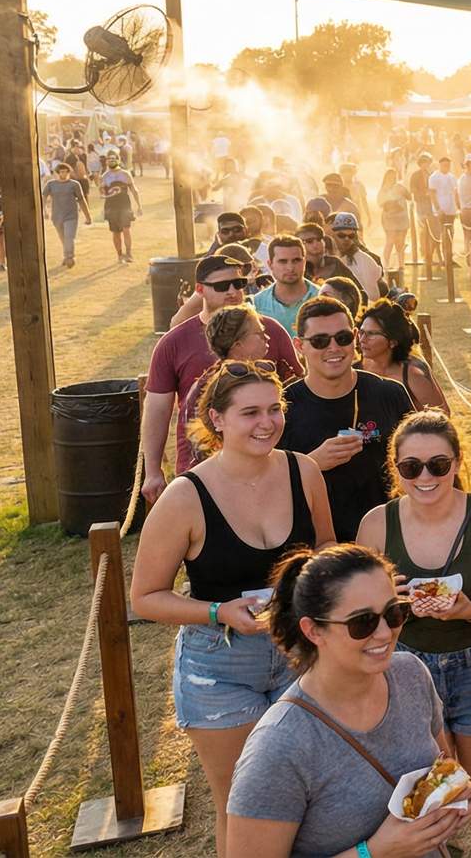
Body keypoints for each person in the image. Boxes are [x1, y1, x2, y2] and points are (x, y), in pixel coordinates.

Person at [129, 361, 336, 857]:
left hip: (299, 654)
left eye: (274, 409)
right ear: (216, 419)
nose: (266, 423)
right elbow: (145, 597)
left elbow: (327, 553)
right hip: (218, 666)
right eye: (249, 413)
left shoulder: (302, 470)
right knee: (242, 804)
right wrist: (219, 611)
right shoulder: (185, 496)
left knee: (309, 792)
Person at [355, 411, 471, 858]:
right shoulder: (376, 524)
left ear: (456, 462)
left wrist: (470, 610)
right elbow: (356, 615)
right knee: (430, 804)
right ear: (395, 470)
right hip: (406, 673)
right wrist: (389, 602)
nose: (425, 477)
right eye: (410, 467)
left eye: (438, 465)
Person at [226, 545, 471, 858]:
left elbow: (443, 768)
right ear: (314, 630)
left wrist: (456, 792)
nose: (385, 633)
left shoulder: (410, 674)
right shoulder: (280, 745)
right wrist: (373, 852)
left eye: (394, 613)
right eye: (363, 622)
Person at [143, 249, 305, 499]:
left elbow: (299, 390)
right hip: (200, 470)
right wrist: (153, 470)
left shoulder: (270, 330)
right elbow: (157, 409)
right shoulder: (173, 342)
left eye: (238, 283)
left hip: (268, 465)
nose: (232, 291)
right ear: (200, 290)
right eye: (221, 285)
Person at [282, 297, 415, 542]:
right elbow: (264, 484)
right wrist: (311, 464)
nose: (333, 348)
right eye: (320, 341)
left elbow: (420, 459)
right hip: (316, 545)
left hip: (391, 535)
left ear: (355, 337)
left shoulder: (390, 393)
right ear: (299, 346)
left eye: (343, 338)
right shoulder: (282, 406)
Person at [358, 297, 449, 412]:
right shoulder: (356, 367)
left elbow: (442, 416)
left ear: (393, 341)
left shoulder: (412, 373)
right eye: (361, 332)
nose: (362, 339)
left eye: (371, 334)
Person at [252, 235, 322, 333]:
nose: (290, 268)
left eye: (296, 260)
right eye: (283, 261)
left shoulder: (322, 297)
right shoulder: (257, 303)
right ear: (270, 264)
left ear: (304, 262)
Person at [42, 160, 91, 268]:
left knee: (69, 236)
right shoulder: (51, 184)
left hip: (71, 215)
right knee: (63, 237)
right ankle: (66, 255)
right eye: (61, 172)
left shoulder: (74, 184)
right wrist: (45, 211)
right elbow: (43, 197)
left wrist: (88, 216)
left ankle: (69, 257)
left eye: (65, 172)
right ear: (57, 173)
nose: (63, 174)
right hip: (57, 215)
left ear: (69, 173)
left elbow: (82, 200)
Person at [328, 213, 386, 299]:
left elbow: (378, 293)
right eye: (341, 235)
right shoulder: (325, 257)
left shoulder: (366, 260)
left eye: (351, 236)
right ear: (333, 234)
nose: (346, 239)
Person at [100, 154, 140, 264]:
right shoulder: (104, 176)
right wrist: (104, 192)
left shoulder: (125, 174)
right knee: (116, 232)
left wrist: (139, 205)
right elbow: (102, 192)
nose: (112, 161)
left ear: (118, 160)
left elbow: (133, 189)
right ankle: (119, 255)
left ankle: (129, 253)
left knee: (126, 230)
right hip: (111, 207)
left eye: (114, 159)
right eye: (109, 159)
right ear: (106, 162)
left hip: (125, 206)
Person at [204, 302, 273, 366]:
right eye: (260, 333)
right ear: (237, 345)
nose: (267, 338)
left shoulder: (214, 376)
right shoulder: (249, 378)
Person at [377, 168, 411, 281]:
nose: (392, 178)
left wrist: (404, 192)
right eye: (390, 176)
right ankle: (385, 264)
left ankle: (401, 264)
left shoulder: (399, 187)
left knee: (400, 242)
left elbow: (409, 196)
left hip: (402, 218)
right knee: (390, 241)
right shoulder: (384, 189)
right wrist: (391, 203)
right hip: (390, 219)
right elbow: (380, 203)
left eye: (394, 176)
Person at [428, 155, 460, 271]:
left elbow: (455, 193)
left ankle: (448, 258)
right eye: (444, 165)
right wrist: (438, 209)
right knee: (439, 235)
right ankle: (436, 258)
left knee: (450, 234)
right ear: (440, 165)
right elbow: (432, 194)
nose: (447, 167)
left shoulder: (452, 177)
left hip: (451, 210)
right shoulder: (434, 177)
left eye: (448, 165)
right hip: (440, 211)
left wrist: (458, 207)